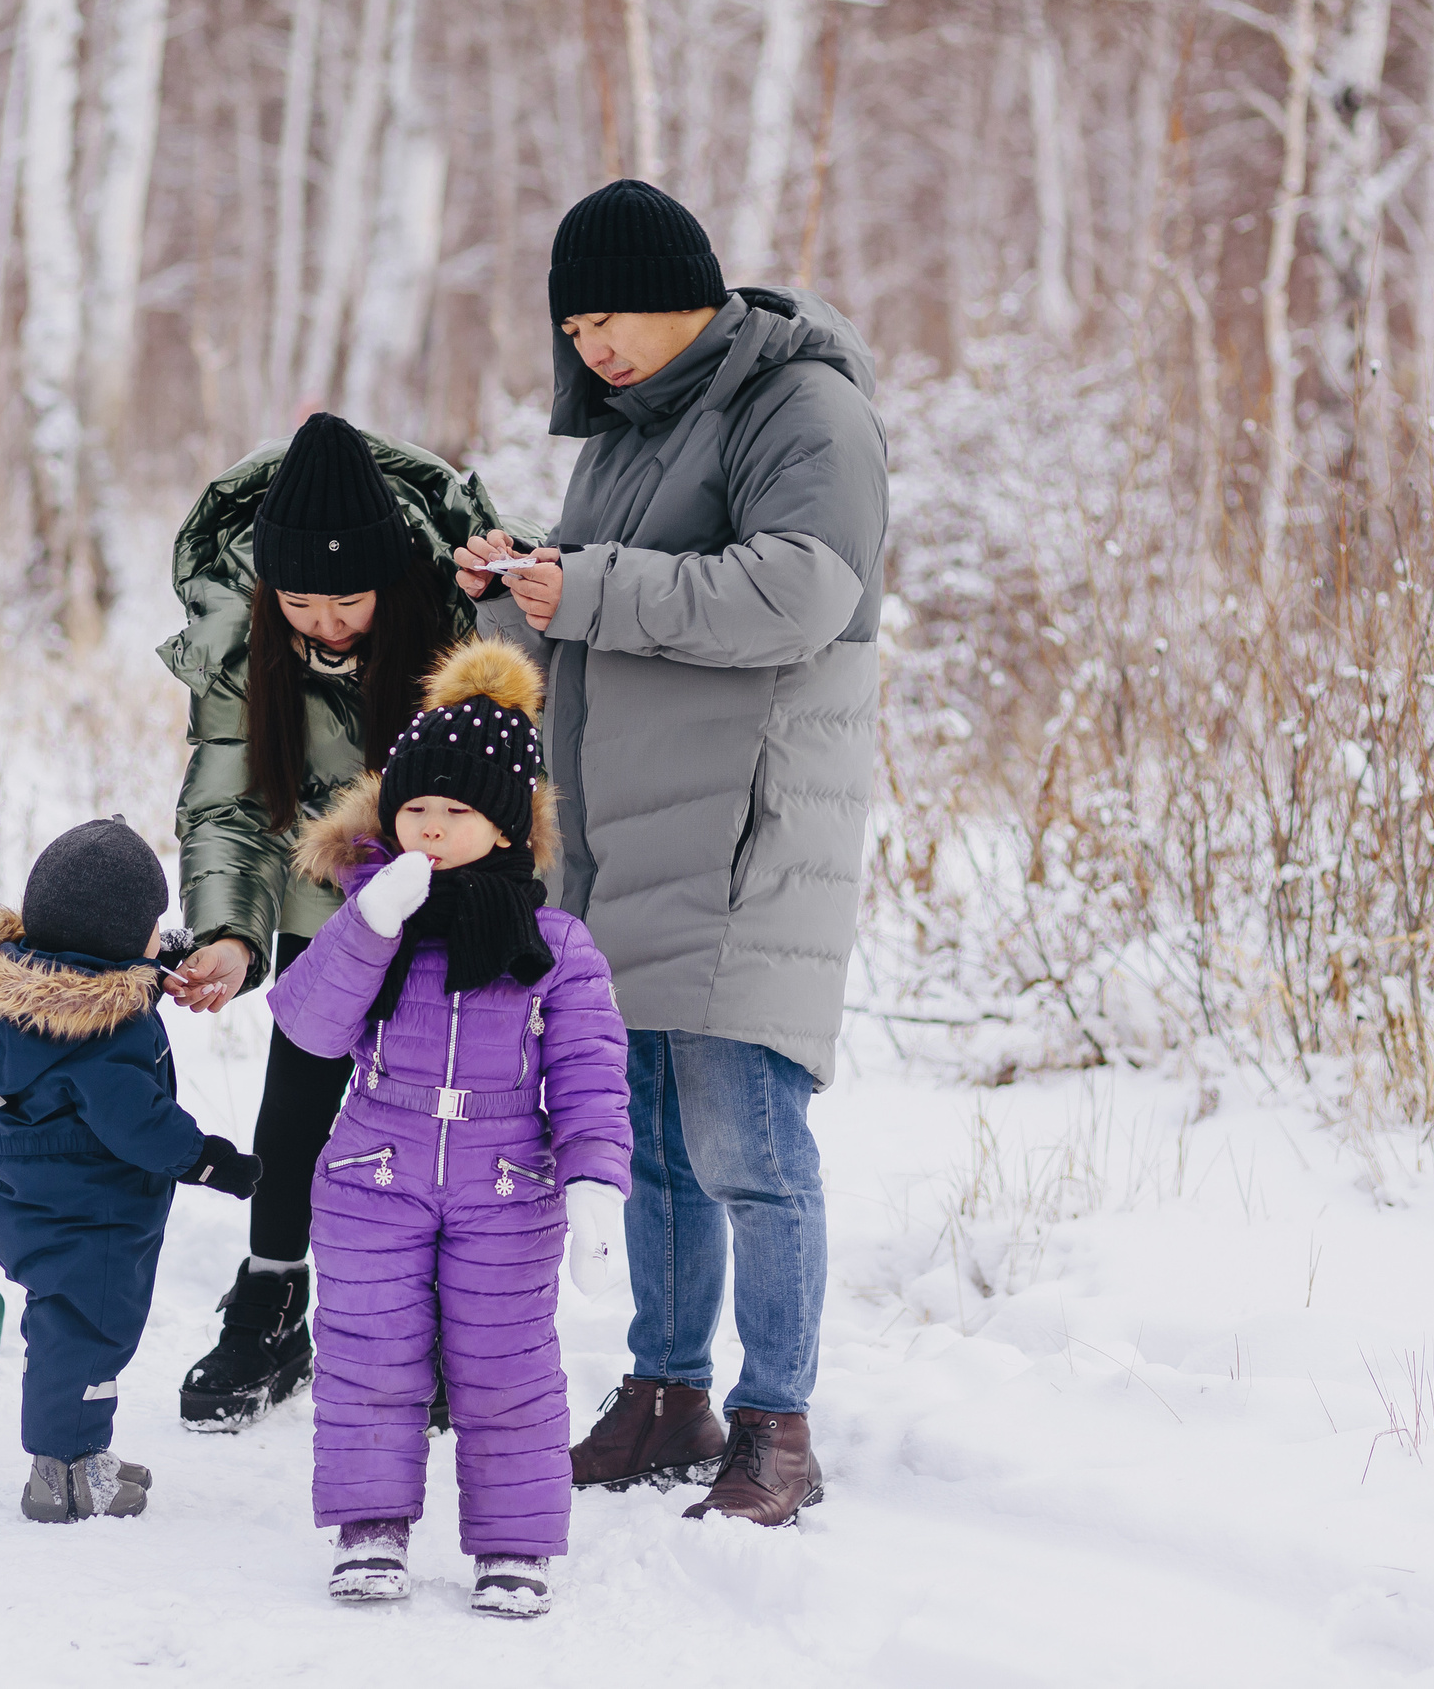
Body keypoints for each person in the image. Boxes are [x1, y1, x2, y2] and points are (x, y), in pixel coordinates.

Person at [454, 179, 890, 1528]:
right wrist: (520, 591)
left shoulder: (800, 405)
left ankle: (777, 1424)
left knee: (747, 1143)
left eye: (615, 318)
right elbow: (605, 632)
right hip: (629, 846)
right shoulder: (626, 437)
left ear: (687, 288)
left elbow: (798, 591)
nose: (596, 348)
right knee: (648, 1148)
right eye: (574, 327)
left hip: (746, 834)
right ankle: (666, 1392)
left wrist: (590, 585)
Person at [159, 411, 529, 1430]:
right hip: (323, 915)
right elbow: (225, 801)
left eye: (348, 601)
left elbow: (513, 784)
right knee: (295, 1112)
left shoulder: (462, 623)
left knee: (437, 1125)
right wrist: (229, 932)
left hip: (453, 906)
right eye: (300, 600)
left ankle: (447, 1328)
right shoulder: (243, 640)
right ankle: (274, 1300)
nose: (322, 622)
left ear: (392, 583)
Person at [266, 638, 632, 1618]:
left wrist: (596, 1179)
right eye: (413, 808)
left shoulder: (554, 943)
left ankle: (514, 1547)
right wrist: (365, 926)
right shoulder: (375, 913)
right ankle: (370, 1531)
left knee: (505, 1368)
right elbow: (305, 1024)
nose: (427, 828)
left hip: (507, 1183)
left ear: (504, 824)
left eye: (453, 812)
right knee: (367, 1359)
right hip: (371, 1173)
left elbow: (590, 1073)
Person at [0, 815, 262, 1523]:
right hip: (93, 1213)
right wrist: (208, 1159)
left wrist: (154, 955)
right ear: (119, 939)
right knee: (89, 1335)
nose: (163, 937)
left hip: (37, 1200)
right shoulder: (102, 1037)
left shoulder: (27, 998)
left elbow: (99, 965)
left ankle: (78, 1454)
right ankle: (61, 1476)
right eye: (155, 926)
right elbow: (137, 1121)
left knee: (65, 1328)